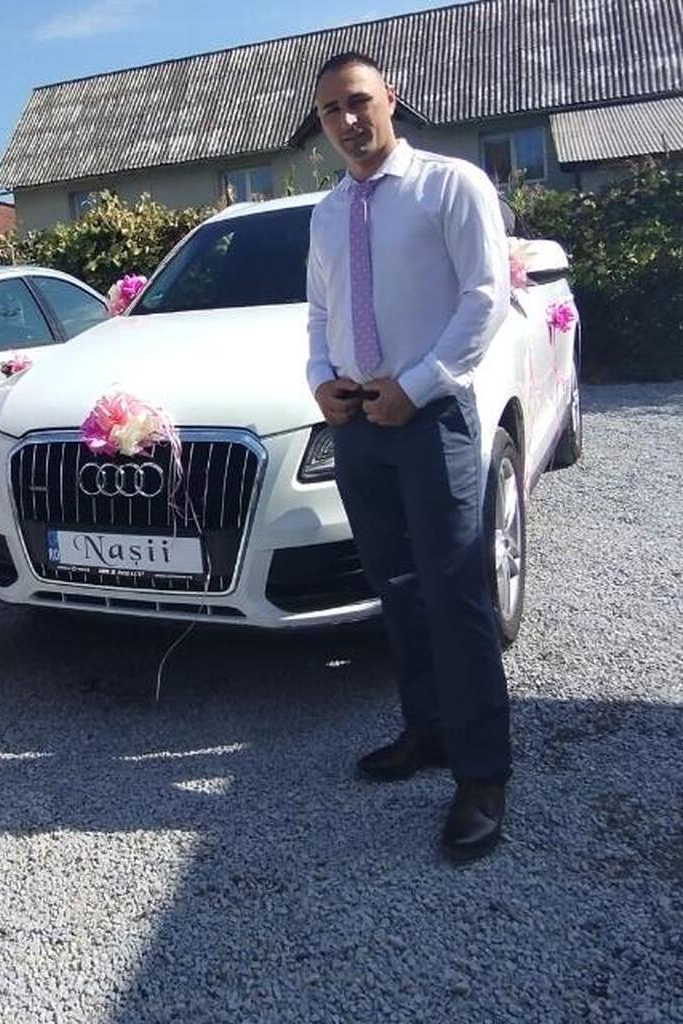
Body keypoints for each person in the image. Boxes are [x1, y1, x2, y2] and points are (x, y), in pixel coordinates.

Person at [306, 53, 512, 862]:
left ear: (391, 99)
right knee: (396, 588)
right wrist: (320, 381)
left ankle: (482, 774)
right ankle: (427, 732)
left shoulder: (450, 185)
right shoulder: (327, 212)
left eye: (359, 101)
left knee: (455, 593)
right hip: (358, 424)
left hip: (429, 418)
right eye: (332, 110)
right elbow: (319, 311)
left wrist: (417, 387)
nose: (348, 120)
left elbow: (485, 298)